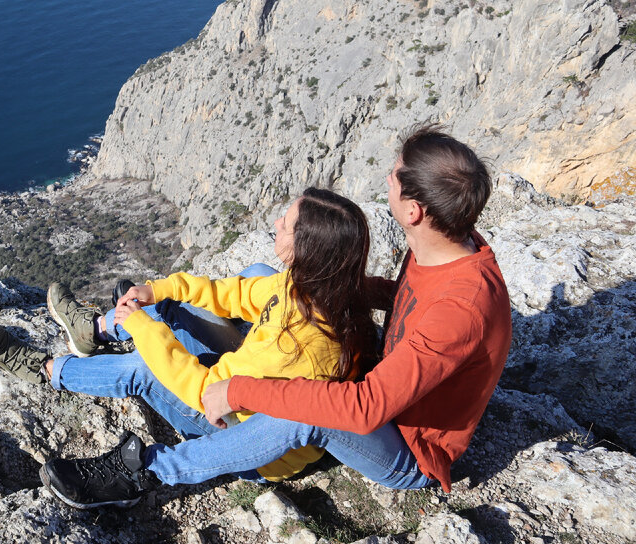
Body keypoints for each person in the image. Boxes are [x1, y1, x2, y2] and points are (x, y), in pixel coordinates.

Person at [34, 125, 509, 508]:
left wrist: (238, 390)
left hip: (408, 450)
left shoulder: (459, 309)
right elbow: (404, 294)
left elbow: (365, 409)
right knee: (267, 278)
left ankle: (146, 472)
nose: (388, 176)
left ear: (413, 210)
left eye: (396, 175)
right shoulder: (445, 246)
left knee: (305, 410)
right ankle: (130, 329)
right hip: (391, 388)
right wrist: (325, 282)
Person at [0, 186, 380, 506]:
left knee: (143, 368)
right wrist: (162, 289)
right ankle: (95, 330)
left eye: (287, 224)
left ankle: (49, 370)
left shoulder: (299, 349)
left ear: (307, 250)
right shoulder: (317, 288)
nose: (276, 222)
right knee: (177, 301)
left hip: (244, 434)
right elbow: (237, 293)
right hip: (248, 378)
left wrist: (142, 328)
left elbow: (205, 391)